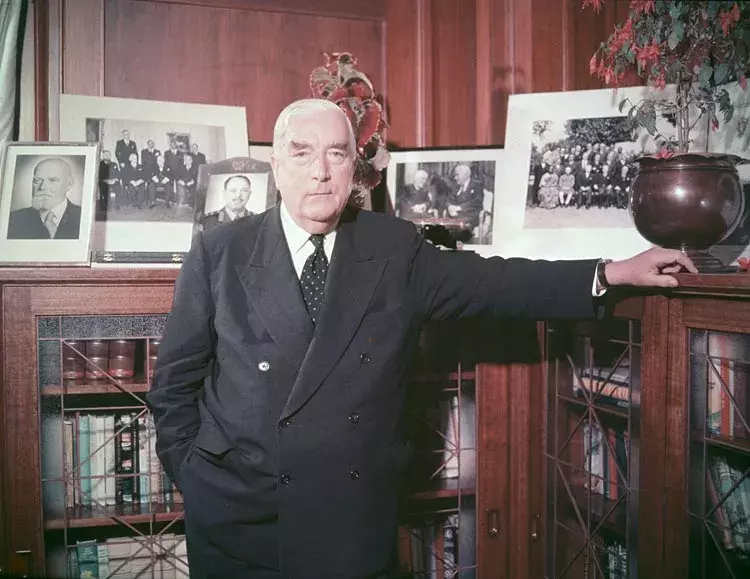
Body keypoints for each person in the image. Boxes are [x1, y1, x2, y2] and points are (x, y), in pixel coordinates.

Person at [146, 98, 696, 579]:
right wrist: (197, 479)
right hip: (239, 522)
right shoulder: (220, 251)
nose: (320, 172)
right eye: (301, 153)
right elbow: (172, 388)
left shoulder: (392, 247)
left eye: (337, 154)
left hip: (350, 525)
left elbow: (496, 282)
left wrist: (612, 272)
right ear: (275, 164)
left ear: (354, 168)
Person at [7, 157, 82, 240]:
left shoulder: (82, 217)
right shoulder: (13, 219)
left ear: (69, 184)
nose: (42, 187)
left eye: (52, 180)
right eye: (37, 180)